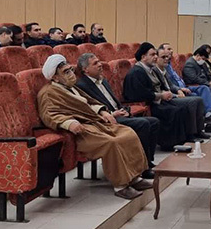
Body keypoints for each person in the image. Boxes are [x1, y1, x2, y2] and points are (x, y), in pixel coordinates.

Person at [37, 54, 153, 200]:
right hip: (82, 130)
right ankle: (121, 186)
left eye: (70, 70)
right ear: (55, 77)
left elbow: (89, 102)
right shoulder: (48, 93)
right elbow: (49, 115)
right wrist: (69, 123)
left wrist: (103, 111)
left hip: (95, 122)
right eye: (66, 72)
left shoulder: (71, 87)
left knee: (128, 133)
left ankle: (135, 177)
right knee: (111, 143)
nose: (71, 74)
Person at [76, 53, 159, 178]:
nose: (100, 65)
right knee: (143, 124)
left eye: (99, 61)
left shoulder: (103, 80)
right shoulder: (82, 86)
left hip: (119, 113)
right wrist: (112, 114)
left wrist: (125, 110)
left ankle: (147, 161)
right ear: (85, 69)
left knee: (154, 122)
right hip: (107, 120)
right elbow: (89, 109)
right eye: (95, 63)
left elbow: (114, 101)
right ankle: (142, 168)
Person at [123, 43, 192, 149]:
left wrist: (164, 94)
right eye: (152, 55)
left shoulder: (149, 69)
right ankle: (168, 143)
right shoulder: (137, 72)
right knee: (172, 111)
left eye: (156, 54)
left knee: (181, 108)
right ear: (143, 57)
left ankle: (180, 141)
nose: (155, 57)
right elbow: (141, 94)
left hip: (153, 100)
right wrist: (161, 96)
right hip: (145, 103)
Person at [153, 46, 211, 135]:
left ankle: (206, 121)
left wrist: (179, 89)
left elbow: (171, 84)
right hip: (170, 95)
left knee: (204, 90)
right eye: (163, 57)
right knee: (196, 100)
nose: (166, 58)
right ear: (156, 58)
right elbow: (163, 90)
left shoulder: (166, 67)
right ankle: (193, 132)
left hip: (182, 87)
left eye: (167, 57)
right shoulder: (156, 70)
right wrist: (177, 93)